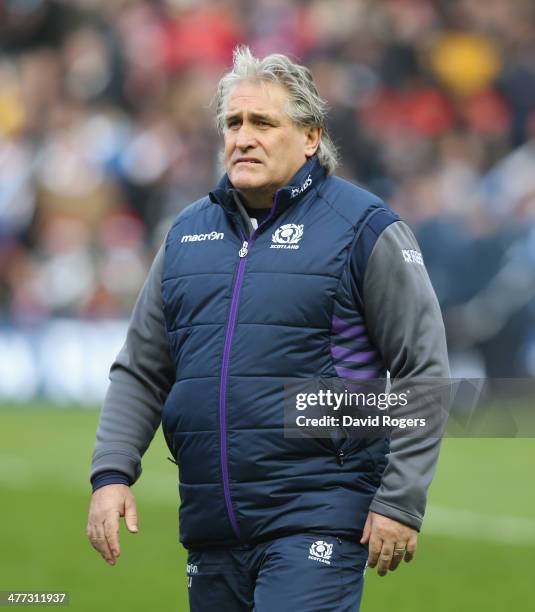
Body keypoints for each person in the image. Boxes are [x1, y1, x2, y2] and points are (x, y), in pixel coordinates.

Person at [87, 46, 449, 611]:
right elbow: (141, 369)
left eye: (262, 122)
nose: (243, 137)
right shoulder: (186, 236)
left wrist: (401, 500)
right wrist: (110, 475)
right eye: (232, 123)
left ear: (310, 136)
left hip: (318, 517)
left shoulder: (365, 228)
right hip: (211, 525)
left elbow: (422, 370)